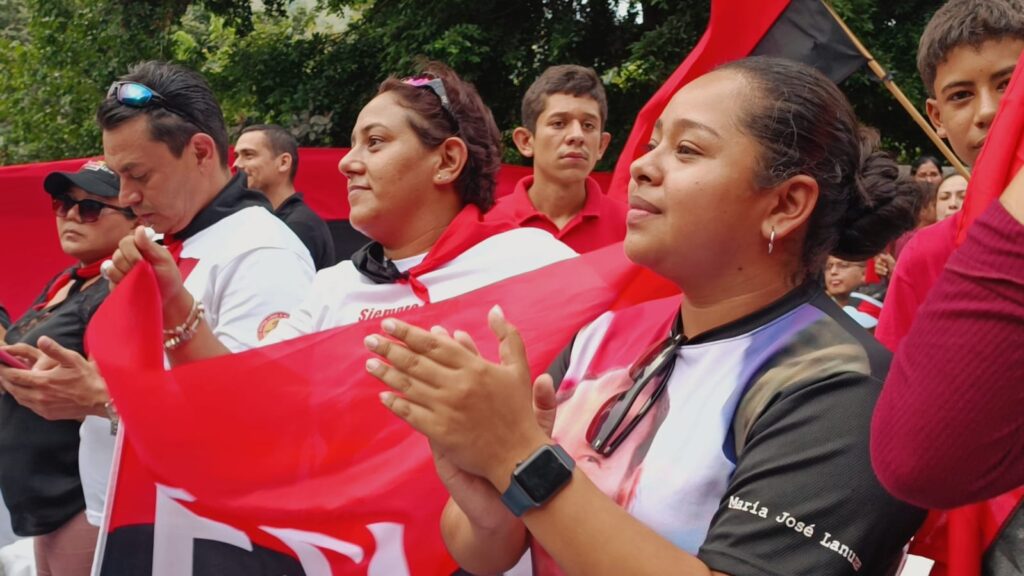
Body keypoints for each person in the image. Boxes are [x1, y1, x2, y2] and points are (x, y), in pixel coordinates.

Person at [363, 56, 924, 575]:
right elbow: (483, 553)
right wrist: (490, 502)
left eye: (687, 150)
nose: (640, 167)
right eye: (654, 144)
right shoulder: (602, 335)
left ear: (785, 204)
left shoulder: (845, 385)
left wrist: (518, 457)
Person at [0, 61, 315, 534]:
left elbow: (259, 419)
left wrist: (100, 397)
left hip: (201, 533)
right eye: (119, 176)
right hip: (129, 519)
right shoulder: (163, 240)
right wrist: (71, 375)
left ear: (201, 151)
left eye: (139, 175)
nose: (126, 196)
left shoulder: (262, 251)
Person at [105, 62, 576, 356]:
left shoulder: (535, 264)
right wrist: (174, 306)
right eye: (352, 144)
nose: (348, 163)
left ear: (448, 161)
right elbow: (244, 397)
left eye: (375, 142)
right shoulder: (333, 289)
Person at [0, 160, 136, 576]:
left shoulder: (121, 287)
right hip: (43, 494)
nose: (71, 216)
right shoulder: (70, 280)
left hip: (77, 494)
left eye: (90, 208)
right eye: (62, 204)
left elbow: (115, 391)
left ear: (135, 218)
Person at [872, 164, 1024, 510]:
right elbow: (913, 450)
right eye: (945, 197)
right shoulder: (924, 250)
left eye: (960, 195)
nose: (953, 203)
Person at [876, 0, 1024, 350]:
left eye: (1008, 84)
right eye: (961, 95)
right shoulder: (923, 258)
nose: (988, 111)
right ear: (937, 118)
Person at [484, 65, 627, 253]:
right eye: (559, 123)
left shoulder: (632, 229)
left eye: (588, 125)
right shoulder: (485, 226)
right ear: (526, 141)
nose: (577, 135)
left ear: (601, 145)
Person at [233, 124, 337, 269]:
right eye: (236, 156)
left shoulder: (299, 226)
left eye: (248, 155)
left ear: (283, 162)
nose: (236, 164)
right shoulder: (263, 221)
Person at [825, 256, 883, 329]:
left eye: (843, 266)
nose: (833, 272)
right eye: (828, 267)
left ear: (864, 273)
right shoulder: (820, 314)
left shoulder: (875, 306)